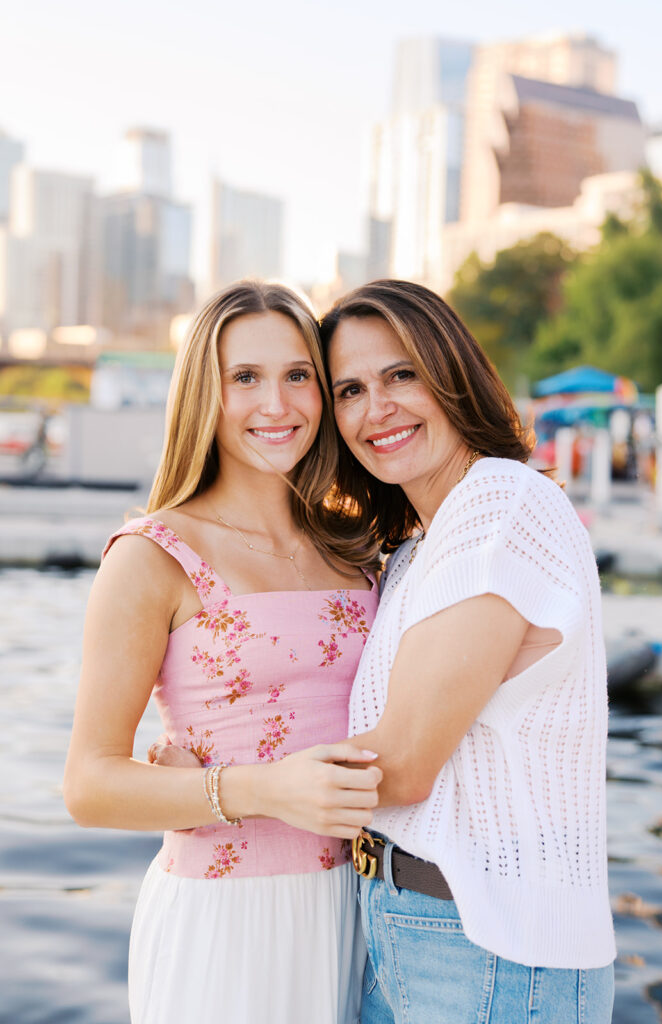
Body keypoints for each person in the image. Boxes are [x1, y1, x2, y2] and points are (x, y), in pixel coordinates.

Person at [63, 280, 383, 1024]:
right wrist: (257, 789)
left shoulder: (356, 548)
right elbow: (88, 785)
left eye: (297, 375)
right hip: (225, 920)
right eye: (245, 377)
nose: (277, 404)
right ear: (204, 394)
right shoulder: (153, 556)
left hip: (360, 908)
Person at [319, 280, 616, 1024]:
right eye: (349, 390)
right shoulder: (417, 548)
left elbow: (402, 765)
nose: (376, 408)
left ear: (451, 372)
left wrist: (223, 787)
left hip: (488, 947)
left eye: (401, 374)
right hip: (406, 922)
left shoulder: (500, 503)